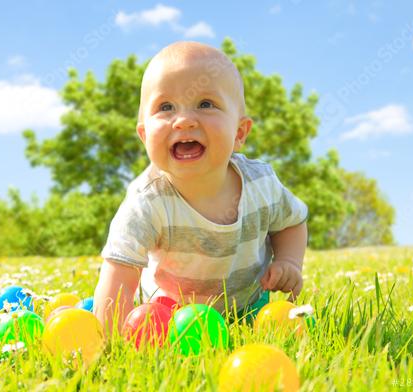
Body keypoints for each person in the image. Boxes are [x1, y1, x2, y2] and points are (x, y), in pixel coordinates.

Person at [93, 41, 308, 334]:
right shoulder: (148, 201)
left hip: (248, 307)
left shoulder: (261, 184)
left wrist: (289, 262)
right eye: (165, 107)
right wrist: (109, 341)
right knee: (150, 326)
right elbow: (118, 275)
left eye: (206, 104)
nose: (183, 121)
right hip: (170, 315)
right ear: (144, 136)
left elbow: (292, 222)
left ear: (239, 132)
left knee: (275, 329)